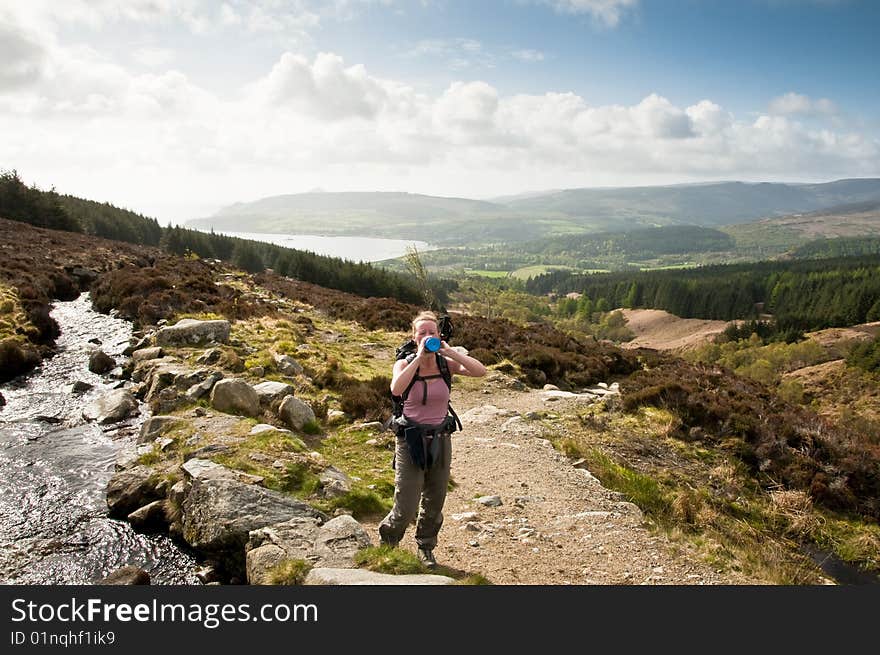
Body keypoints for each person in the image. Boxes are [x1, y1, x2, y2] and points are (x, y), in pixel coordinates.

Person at [378, 310, 487, 567]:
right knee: (406, 504)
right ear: (414, 337)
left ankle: (425, 548)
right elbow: (396, 389)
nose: (428, 336)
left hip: (440, 438)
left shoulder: (445, 364)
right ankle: (389, 539)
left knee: (435, 500)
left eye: (432, 332)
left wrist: (449, 352)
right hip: (410, 440)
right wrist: (418, 358)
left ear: (439, 335)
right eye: (422, 333)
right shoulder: (404, 363)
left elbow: (480, 371)